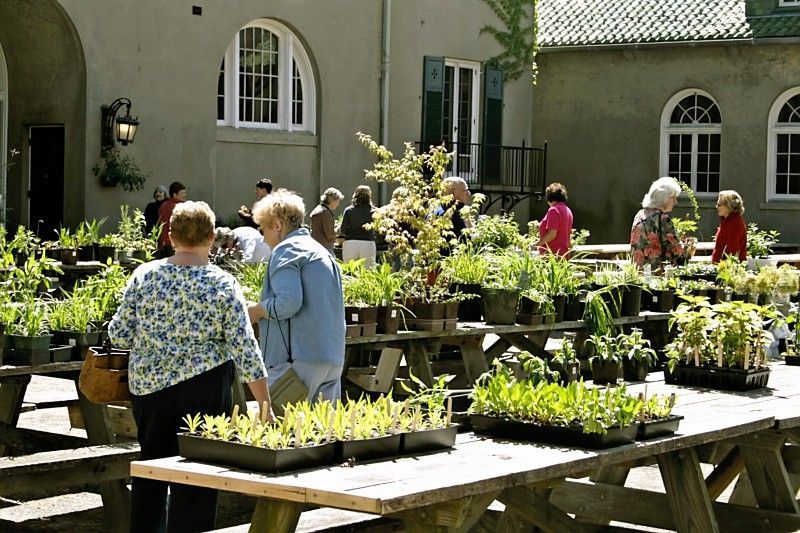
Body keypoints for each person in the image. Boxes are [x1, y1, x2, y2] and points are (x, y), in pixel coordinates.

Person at [108, 201, 272, 533]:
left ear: (171, 236)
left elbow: (119, 334)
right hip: (205, 390)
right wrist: (265, 404)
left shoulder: (145, 275)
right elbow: (245, 349)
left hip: (150, 390)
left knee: (151, 471)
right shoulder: (222, 283)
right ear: (211, 238)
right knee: (198, 476)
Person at [247, 189, 346, 401]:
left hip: (298, 359)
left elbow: (288, 303)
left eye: (263, 229)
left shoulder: (287, 250)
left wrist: (257, 311)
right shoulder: (322, 252)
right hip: (332, 358)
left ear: (277, 225)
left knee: (281, 421)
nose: (263, 239)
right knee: (324, 423)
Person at [630, 176, 695, 271]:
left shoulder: (640, 215)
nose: (675, 202)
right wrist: (690, 248)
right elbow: (677, 251)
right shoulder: (662, 218)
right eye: (673, 198)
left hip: (638, 271)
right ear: (662, 198)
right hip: (657, 273)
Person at [341, 185, 377, 267]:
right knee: (368, 271)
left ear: (355, 195)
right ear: (369, 196)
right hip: (368, 243)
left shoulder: (349, 210)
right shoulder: (375, 211)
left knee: (349, 270)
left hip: (350, 242)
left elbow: (343, 230)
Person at [536, 182, 574, 256]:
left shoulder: (554, 210)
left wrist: (537, 244)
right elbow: (567, 236)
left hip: (552, 254)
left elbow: (552, 234)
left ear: (549, 198)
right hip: (563, 254)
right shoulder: (568, 210)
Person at [711, 190, 747, 263]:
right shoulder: (727, 221)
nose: (716, 207)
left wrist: (722, 266)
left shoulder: (734, 223)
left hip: (729, 267)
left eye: (719, 204)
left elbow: (732, 250)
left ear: (728, 206)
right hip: (722, 265)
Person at [310, 187, 344, 254]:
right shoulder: (325, 213)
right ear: (332, 200)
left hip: (316, 246)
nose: (338, 204)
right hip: (325, 248)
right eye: (338, 201)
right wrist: (339, 228)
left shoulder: (318, 209)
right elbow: (330, 235)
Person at [157, 181, 187, 252]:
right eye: (182, 193)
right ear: (174, 194)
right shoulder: (181, 207)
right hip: (178, 243)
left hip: (165, 242)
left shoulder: (163, 205)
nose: (185, 195)